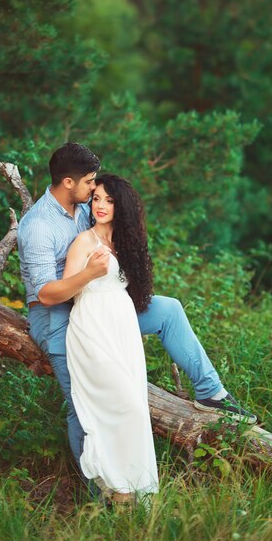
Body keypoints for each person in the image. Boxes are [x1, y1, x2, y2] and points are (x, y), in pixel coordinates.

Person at [17, 143, 256, 479]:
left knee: (168, 310)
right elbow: (46, 294)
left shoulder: (86, 208)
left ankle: (211, 393)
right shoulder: (39, 225)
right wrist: (88, 275)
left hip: (99, 304)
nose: (94, 190)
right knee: (82, 407)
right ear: (68, 182)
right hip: (57, 318)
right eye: (89, 182)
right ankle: (98, 494)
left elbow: (113, 229)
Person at [63, 174, 159, 503]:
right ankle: (118, 488)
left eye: (109, 200)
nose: (100, 206)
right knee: (125, 407)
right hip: (92, 329)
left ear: (122, 207)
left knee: (134, 409)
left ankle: (129, 495)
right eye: (97, 198)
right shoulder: (84, 242)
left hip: (122, 331)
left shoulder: (124, 242)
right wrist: (89, 272)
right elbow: (67, 289)